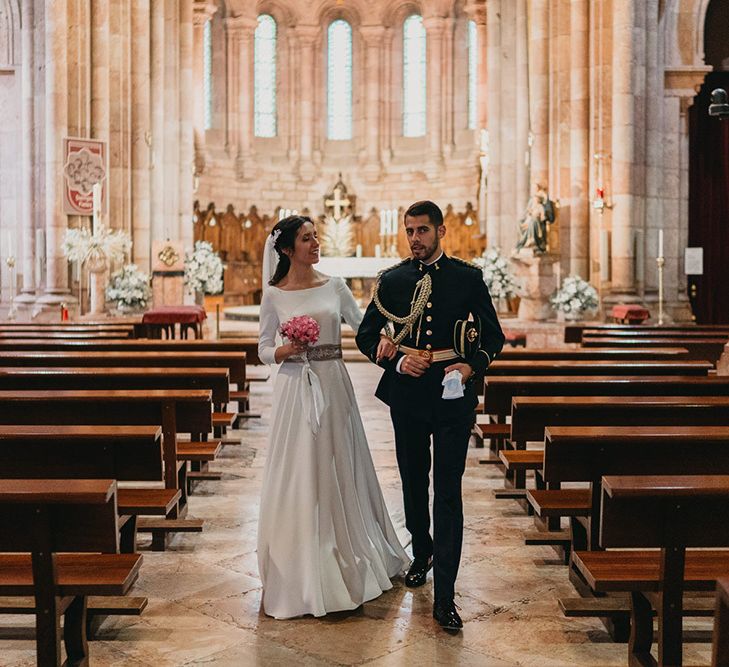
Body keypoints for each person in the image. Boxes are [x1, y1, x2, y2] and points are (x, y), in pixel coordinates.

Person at [356, 200, 505, 631]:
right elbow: (368, 336)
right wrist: (398, 362)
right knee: (413, 480)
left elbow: (493, 335)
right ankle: (421, 553)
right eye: (410, 231)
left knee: (448, 491)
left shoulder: (467, 278)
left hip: (452, 393)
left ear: (441, 231)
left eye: (423, 230)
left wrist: (471, 364)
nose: (415, 239)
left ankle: (446, 597)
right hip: (408, 394)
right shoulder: (393, 280)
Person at [257, 215, 410, 619]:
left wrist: (392, 342)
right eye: (306, 239)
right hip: (294, 387)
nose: (315, 243)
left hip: (333, 383)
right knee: (298, 470)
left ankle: (345, 551)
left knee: (338, 463)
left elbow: (364, 329)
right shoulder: (273, 295)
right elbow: (261, 347)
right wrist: (282, 352)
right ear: (287, 249)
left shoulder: (335, 286)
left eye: (315, 236)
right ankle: (299, 563)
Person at [513, 182, 556, 254]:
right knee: (519, 223)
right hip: (530, 218)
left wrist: (540, 214)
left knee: (533, 221)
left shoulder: (544, 198)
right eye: (533, 188)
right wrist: (529, 213)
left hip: (539, 221)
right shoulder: (532, 199)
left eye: (536, 187)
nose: (534, 189)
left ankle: (535, 242)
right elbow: (528, 211)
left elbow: (547, 214)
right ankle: (522, 243)